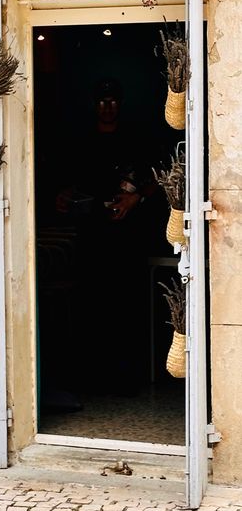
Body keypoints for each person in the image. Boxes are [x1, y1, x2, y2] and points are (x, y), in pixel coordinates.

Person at [56, 78, 154, 395]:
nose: (107, 107)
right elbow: (69, 184)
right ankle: (94, 380)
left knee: (127, 303)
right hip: (92, 235)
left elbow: (159, 178)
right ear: (93, 104)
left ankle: (129, 381)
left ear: (121, 103)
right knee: (93, 304)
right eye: (102, 101)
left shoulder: (135, 138)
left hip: (128, 236)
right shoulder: (82, 140)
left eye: (112, 101)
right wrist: (65, 197)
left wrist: (135, 198)